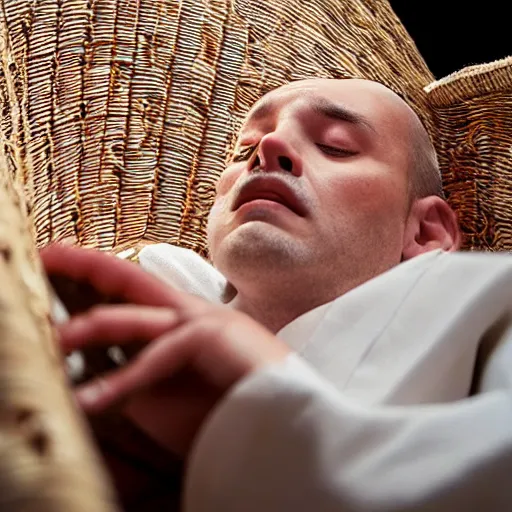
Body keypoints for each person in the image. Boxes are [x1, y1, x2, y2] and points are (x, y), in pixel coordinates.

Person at [42, 78, 512, 511]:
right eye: (242, 147)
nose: (268, 147)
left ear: (427, 232)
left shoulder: (491, 303)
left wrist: (274, 412)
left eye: (336, 147)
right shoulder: (115, 308)